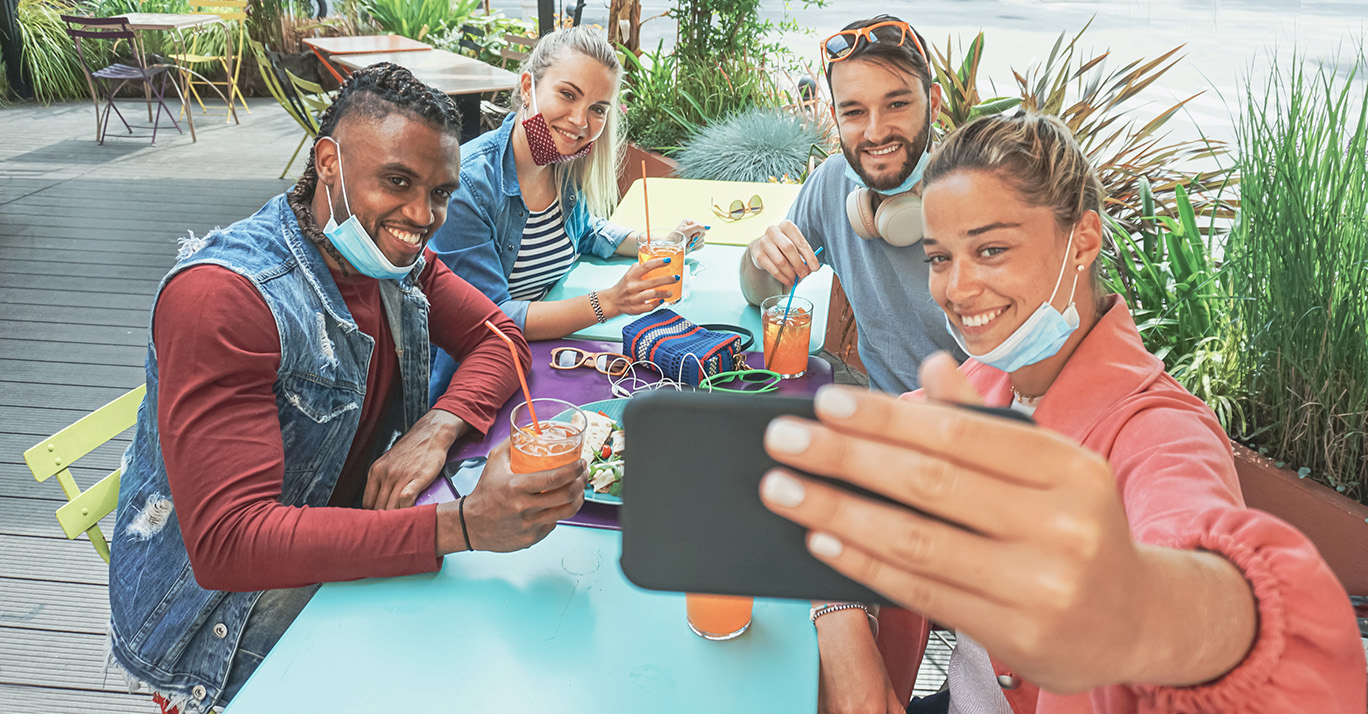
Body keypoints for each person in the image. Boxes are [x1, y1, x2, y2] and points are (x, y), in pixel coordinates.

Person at [759, 112, 1365, 712]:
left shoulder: (1162, 433)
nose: (956, 288)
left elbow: (1206, 590)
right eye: (940, 258)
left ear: (1084, 239)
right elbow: (848, 476)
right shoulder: (989, 378)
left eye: (991, 249)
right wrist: (845, 637)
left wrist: (1141, 611)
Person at [107, 64, 589, 713]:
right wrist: (463, 526)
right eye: (398, 181)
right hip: (216, 620)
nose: (423, 216)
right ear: (328, 162)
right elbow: (228, 545)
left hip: (347, 539)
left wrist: (439, 426)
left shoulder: (392, 259)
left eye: (441, 192)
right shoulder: (224, 297)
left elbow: (498, 336)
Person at [427, 26, 705, 403]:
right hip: (478, 380)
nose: (579, 121)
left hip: (549, 358)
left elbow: (587, 231)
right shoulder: (469, 186)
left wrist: (660, 241)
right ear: (528, 88)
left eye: (597, 109)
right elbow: (493, 317)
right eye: (567, 94)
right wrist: (611, 301)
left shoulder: (564, 165)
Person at [739, 16, 962, 395]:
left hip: (974, 432)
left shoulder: (979, 201)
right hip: (880, 426)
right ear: (836, 117)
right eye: (854, 112)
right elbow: (760, 293)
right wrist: (760, 257)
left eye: (897, 103)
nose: (875, 132)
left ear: (934, 103)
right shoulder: (832, 182)